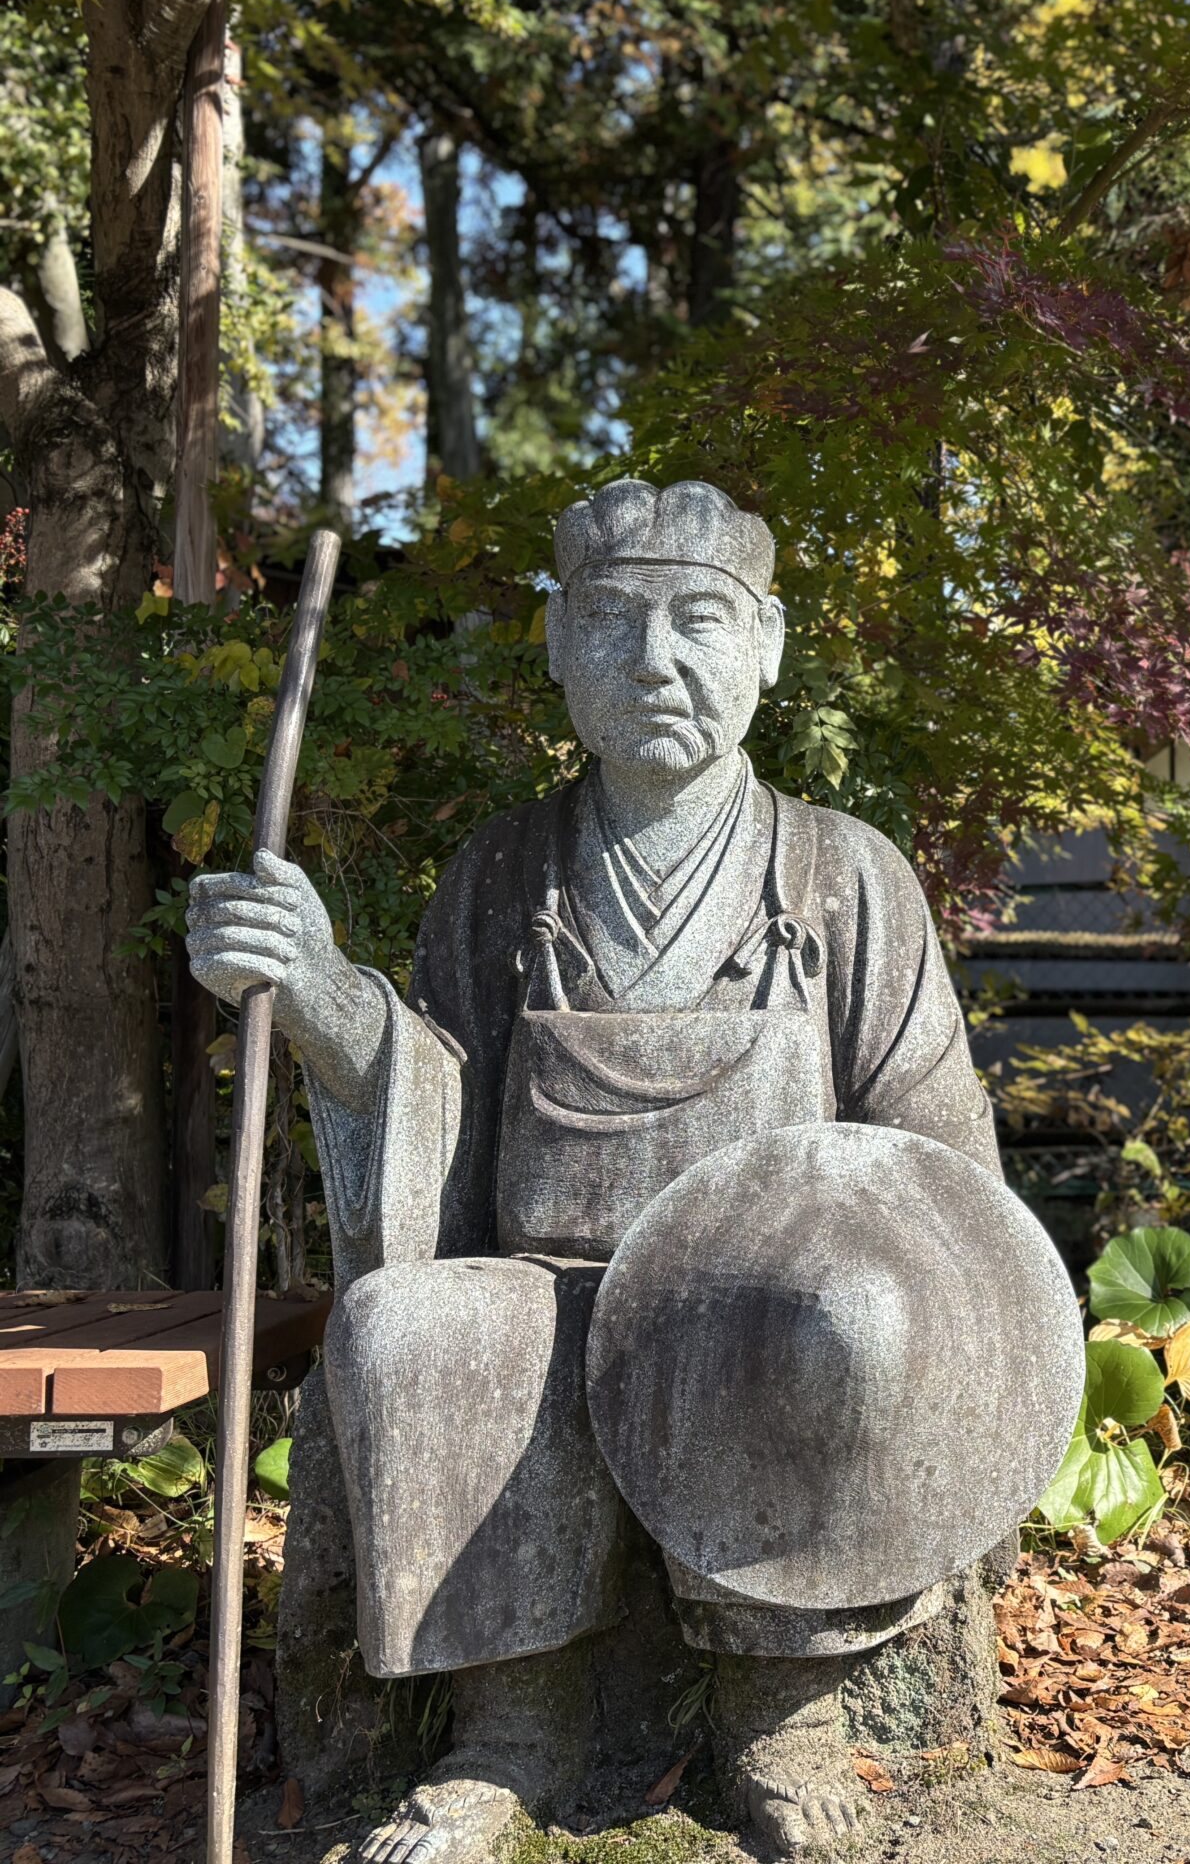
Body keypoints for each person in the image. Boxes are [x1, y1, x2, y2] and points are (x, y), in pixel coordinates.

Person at [187, 479, 1055, 1860]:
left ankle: (785, 1713)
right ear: (553, 644)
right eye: (609, 620)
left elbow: (938, 1165)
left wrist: (901, 1296)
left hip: (767, 1294)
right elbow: (439, 1123)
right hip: (549, 1274)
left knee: (832, 1321)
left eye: (699, 620)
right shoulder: (501, 872)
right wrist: (325, 997)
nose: (654, 660)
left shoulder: (846, 877)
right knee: (414, 1327)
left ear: (767, 644)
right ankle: (511, 1734)